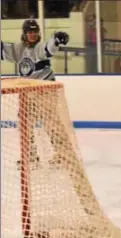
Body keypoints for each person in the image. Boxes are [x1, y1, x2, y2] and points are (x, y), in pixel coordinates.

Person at [1, 19, 70, 167]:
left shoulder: (39, 47)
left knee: (50, 124)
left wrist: (57, 37)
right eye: (29, 32)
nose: (32, 35)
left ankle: (62, 155)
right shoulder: (19, 49)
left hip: (45, 90)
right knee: (24, 123)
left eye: (35, 32)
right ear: (24, 34)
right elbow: (4, 51)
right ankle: (30, 156)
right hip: (28, 91)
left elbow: (49, 48)